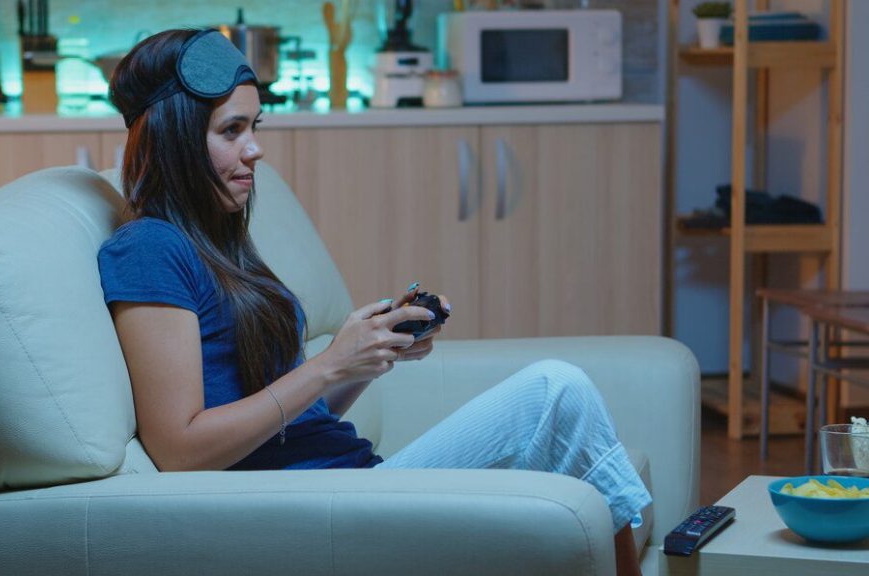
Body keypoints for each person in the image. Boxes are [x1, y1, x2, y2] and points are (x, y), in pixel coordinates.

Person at [98, 28, 650, 576]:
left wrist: (366, 359)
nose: (255, 148)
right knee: (555, 391)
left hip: (348, 481)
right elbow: (179, 449)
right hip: (318, 507)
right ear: (176, 139)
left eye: (254, 126)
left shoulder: (217, 240)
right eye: (232, 130)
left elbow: (282, 423)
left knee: (560, 419)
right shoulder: (149, 247)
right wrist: (329, 364)